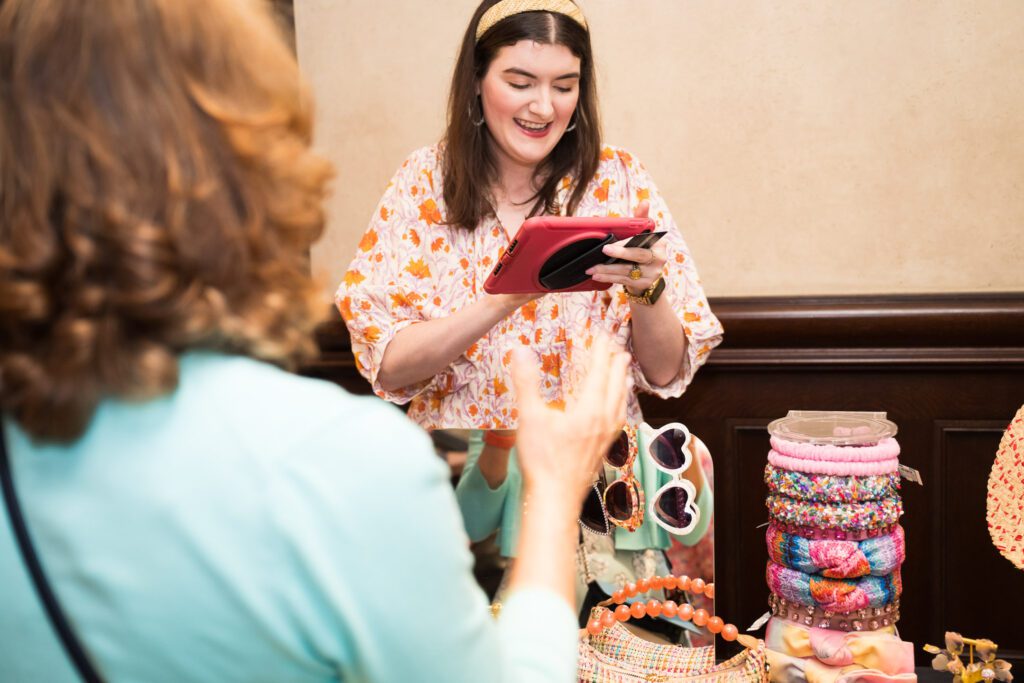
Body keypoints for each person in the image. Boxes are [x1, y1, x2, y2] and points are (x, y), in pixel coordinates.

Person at [0, 1, 631, 681]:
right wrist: (560, 490)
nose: (543, 103)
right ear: (254, 166)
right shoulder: (340, 468)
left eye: (563, 85)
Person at [337, 0, 724, 628]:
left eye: (564, 86)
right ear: (476, 82)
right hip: (467, 498)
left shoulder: (618, 179)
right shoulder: (420, 183)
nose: (542, 106)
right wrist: (503, 297)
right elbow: (390, 366)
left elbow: (666, 369)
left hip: (605, 493)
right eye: (519, 82)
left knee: (613, 657)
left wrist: (648, 292)